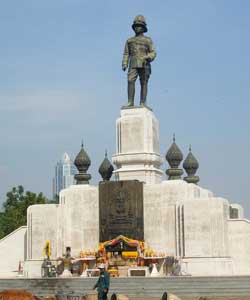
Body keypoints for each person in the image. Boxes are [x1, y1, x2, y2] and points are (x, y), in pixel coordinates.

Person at [122, 15, 156, 107]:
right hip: (133, 63)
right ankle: (130, 102)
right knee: (130, 80)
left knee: (143, 82)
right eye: (136, 26)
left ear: (143, 27)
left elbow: (153, 52)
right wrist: (124, 63)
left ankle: (143, 102)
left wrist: (148, 57)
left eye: (139, 26)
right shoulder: (129, 41)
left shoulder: (148, 40)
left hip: (144, 63)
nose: (137, 27)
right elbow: (126, 53)